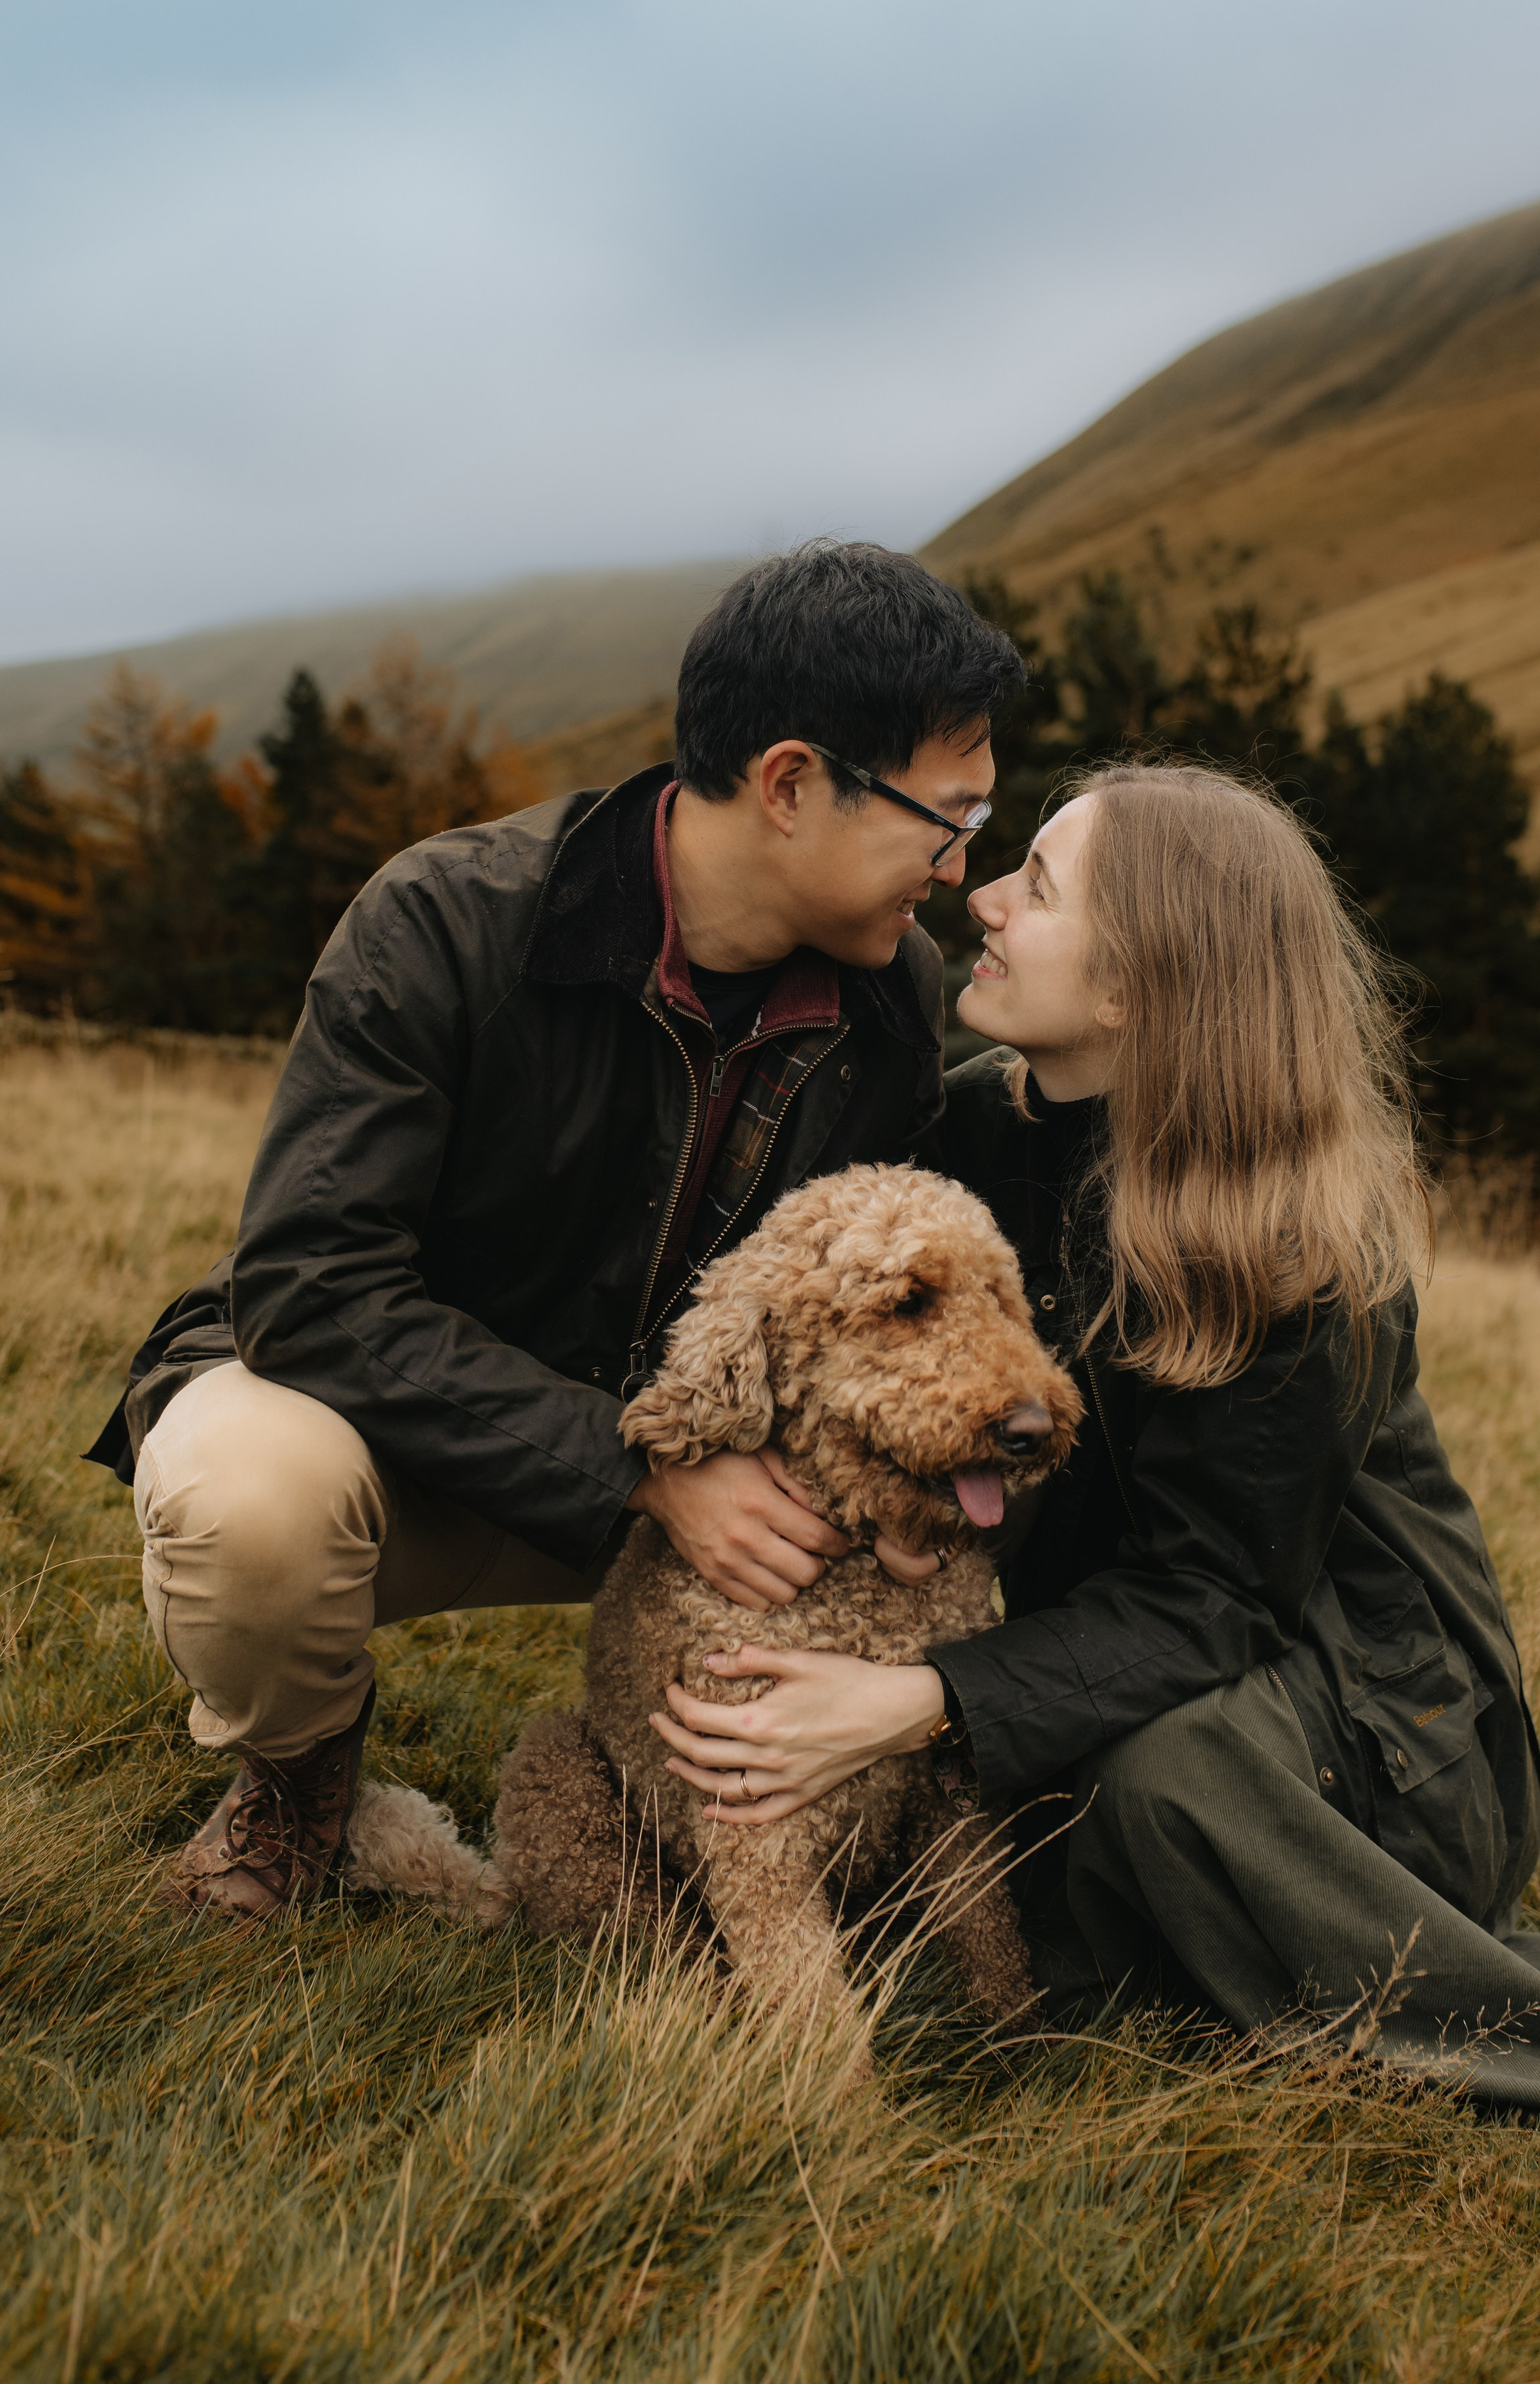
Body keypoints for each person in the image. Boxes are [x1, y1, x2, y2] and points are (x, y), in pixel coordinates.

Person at [653, 761, 1540, 2155]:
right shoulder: (977, 1125)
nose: (981, 900)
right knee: (1019, 1862)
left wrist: (906, 1699)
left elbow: (1212, 1603)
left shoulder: (1289, 1244)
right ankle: (1192, 1944)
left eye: (1037, 889)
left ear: (1138, 988)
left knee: (1158, 1777)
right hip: (1115, 1654)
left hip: (1371, 1714)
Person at [88, 542, 1022, 1924]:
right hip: (390, 1433)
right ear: (787, 783)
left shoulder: (895, 997)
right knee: (248, 1504)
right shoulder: (444, 920)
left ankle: (792, 1835)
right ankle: (298, 1786)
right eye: (944, 819)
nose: (959, 869)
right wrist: (635, 1470)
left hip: (696, 1471)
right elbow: (309, 1288)